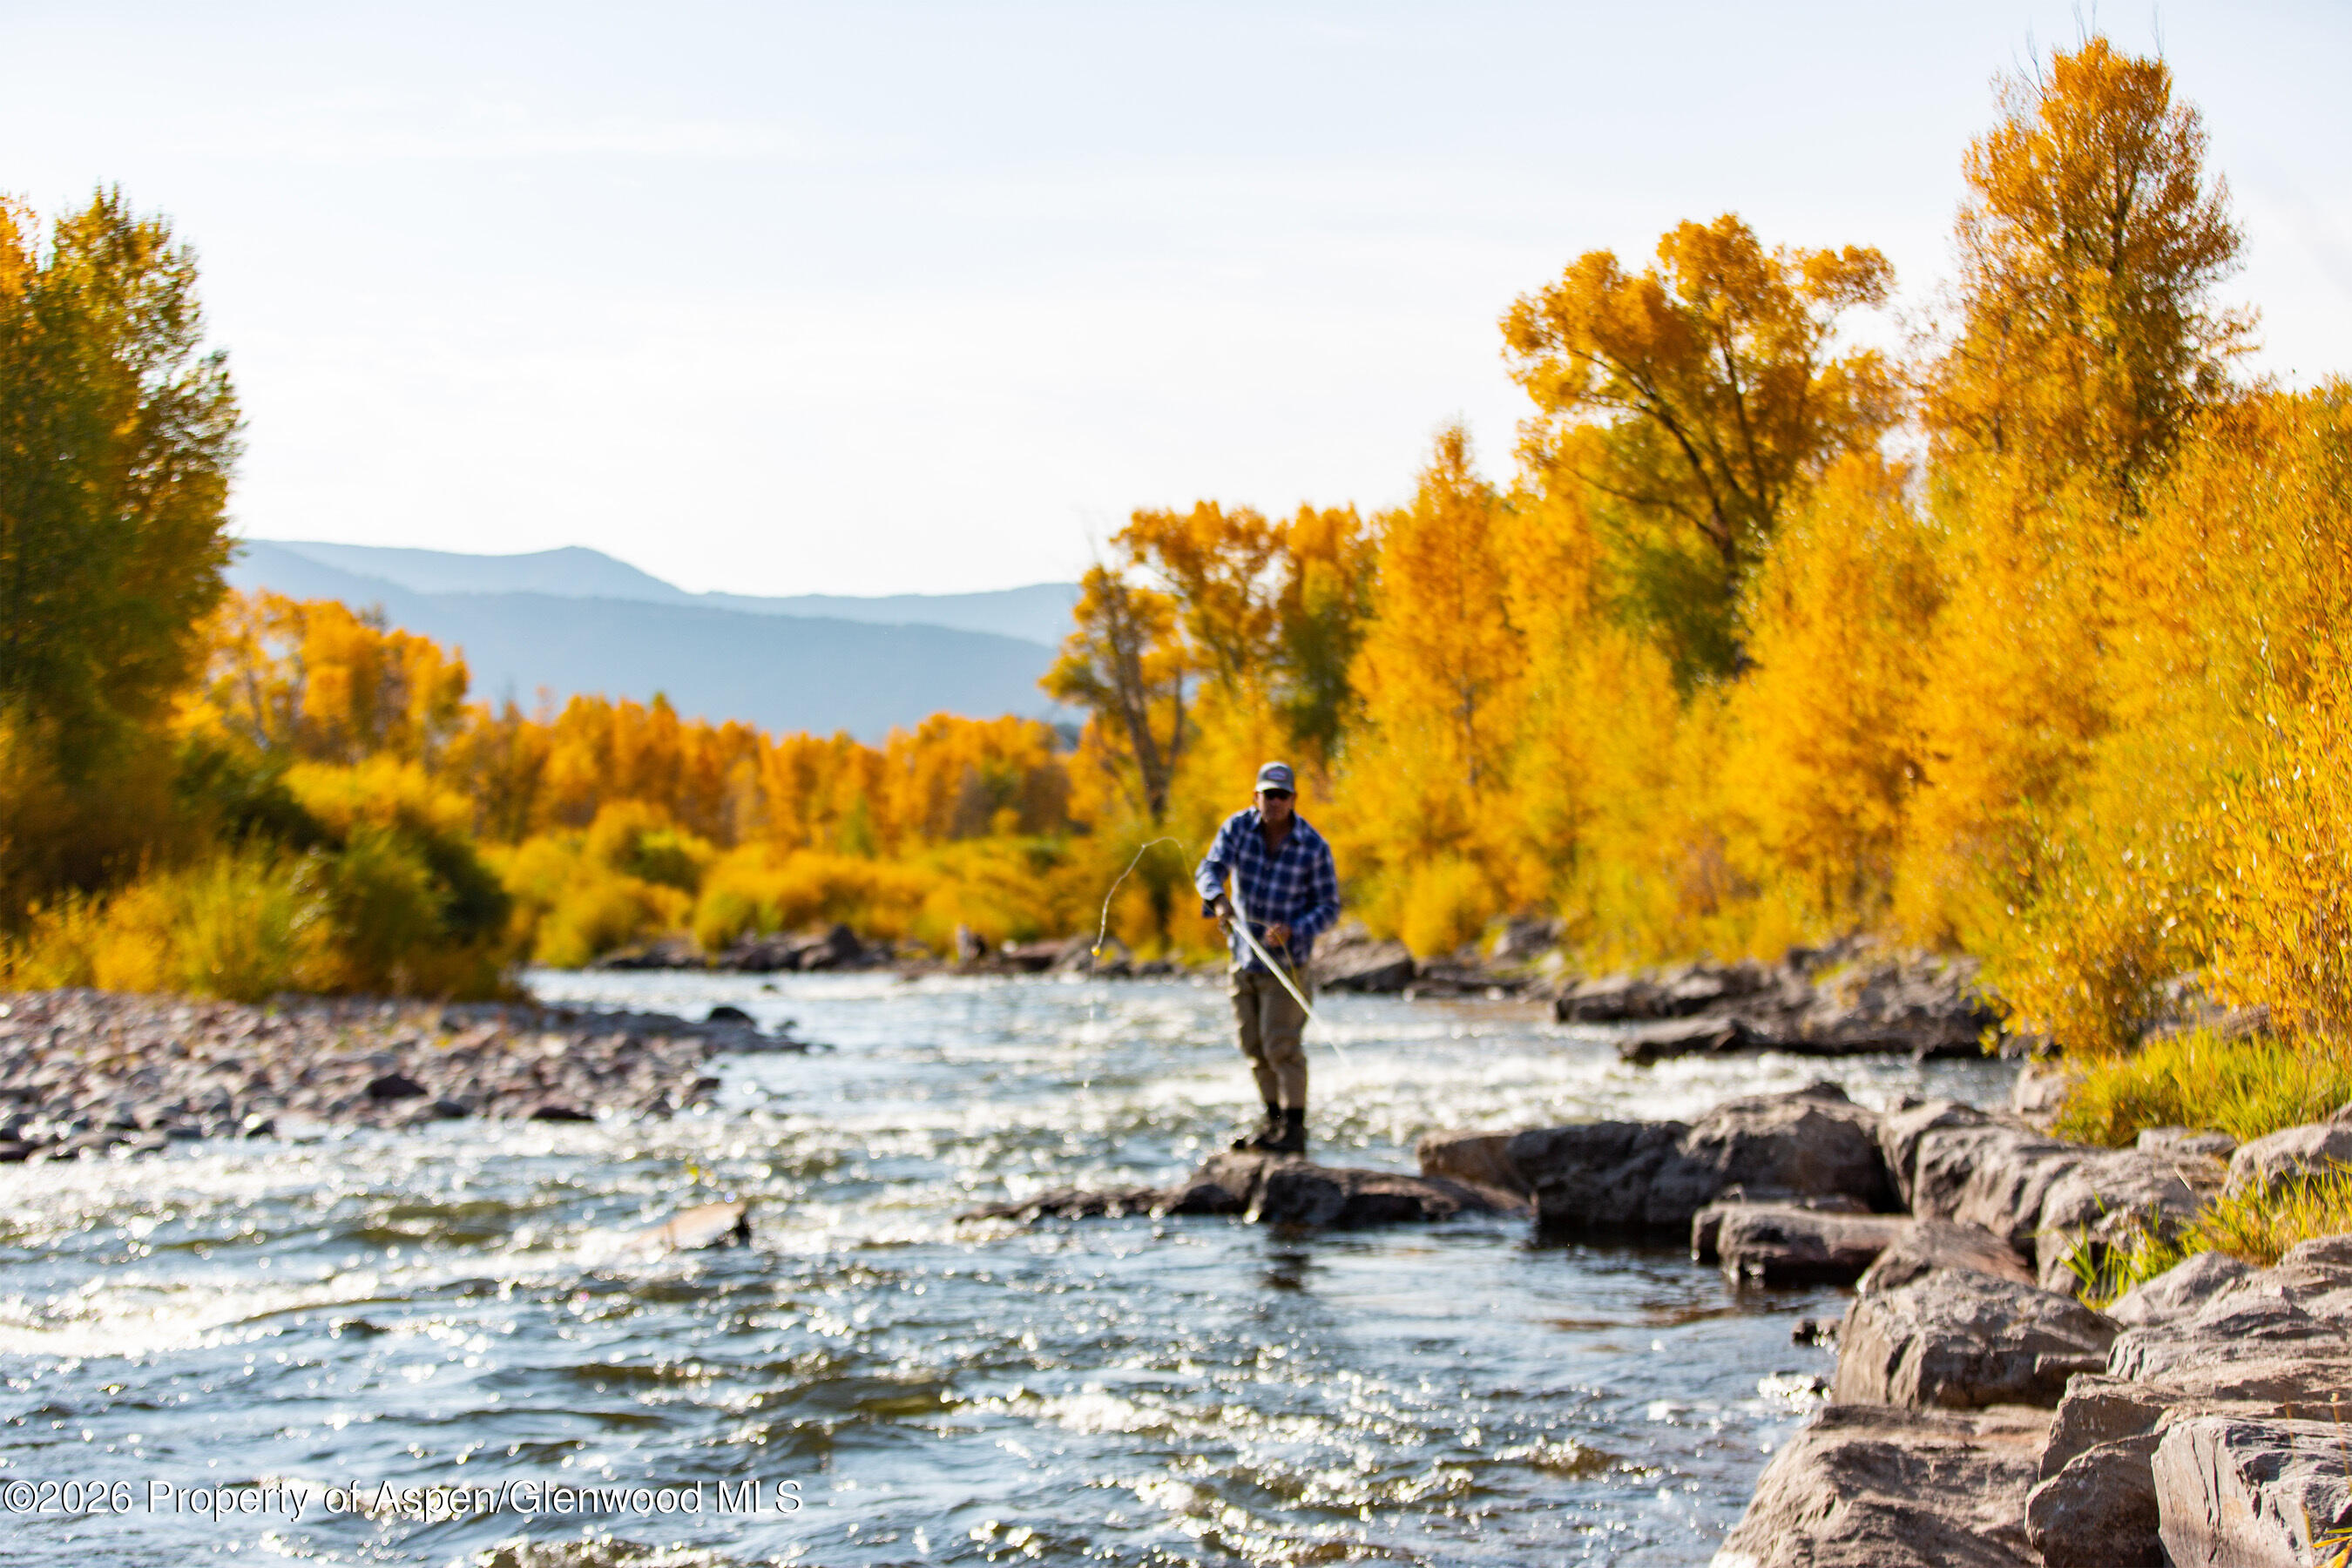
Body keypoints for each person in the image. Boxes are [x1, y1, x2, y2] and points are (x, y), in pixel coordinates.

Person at [1193, 761, 1340, 1156]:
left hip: (1288, 966)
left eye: (1282, 795)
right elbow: (1208, 870)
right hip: (1243, 960)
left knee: (1281, 1045)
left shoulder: (1313, 846)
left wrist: (1293, 928)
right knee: (1254, 1047)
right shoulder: (1237, 828)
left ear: (1293, 799)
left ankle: (1295, 1129)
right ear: (1254, 796)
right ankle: (1273, 1122)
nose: (1274, 802)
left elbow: (1329, 908)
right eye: (1267, 794)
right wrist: (1218, 899)